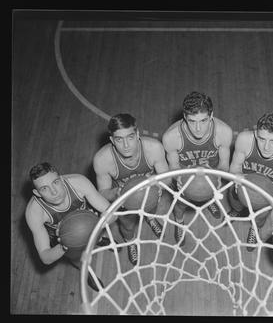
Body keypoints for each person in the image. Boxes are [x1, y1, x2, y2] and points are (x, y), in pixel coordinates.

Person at [93, 113, 171, 266]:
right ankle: (130, 242)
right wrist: (116, 194)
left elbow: (167, 177)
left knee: (151, 210)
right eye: (119, 140)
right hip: (122, 200)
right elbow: (102, 193)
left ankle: (150, 218)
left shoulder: (154, 148)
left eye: (130, 137)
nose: (126, 145)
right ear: (112, 140)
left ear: (137, 134)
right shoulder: (102, 160)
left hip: (149, 192)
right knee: (127, 226)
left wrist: (158, 185)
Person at [25, 162, 110, 292]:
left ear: (62, 179)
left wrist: (97, 222)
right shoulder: (34, 212)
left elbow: (111, 212)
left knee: (99, 232)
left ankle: (99, 239)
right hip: (65, 242)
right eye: (44, 188)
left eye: (56, 182)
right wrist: (64, 245)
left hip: (90, 224)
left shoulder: (79, 183)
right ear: (37, 193)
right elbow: (45, 257)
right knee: (80, 260)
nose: (54, 192)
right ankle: (87, 273)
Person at [162, 91, 233, 245]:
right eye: (192, 121)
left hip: (211, 173)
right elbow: (173, 167)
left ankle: (209, 200)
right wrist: (179, 179)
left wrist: (217, 178)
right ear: (184, 117)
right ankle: (179, 221)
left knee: (209, 192)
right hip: (184, 176)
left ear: (211, 115)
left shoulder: (223, 132)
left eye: (203, 120)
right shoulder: (171, 137)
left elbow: (224, 164)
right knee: (180, 203)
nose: (198, 128)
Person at [228, 113, 273, 251]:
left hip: (267, 192)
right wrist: (241, 179)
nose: (266, 147)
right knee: (234, 197)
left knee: (261, 216)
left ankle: (254, 229)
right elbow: (234, 169)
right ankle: (235, 210)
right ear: (256, 134)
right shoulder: (244, 140)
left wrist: (268, 189)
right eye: (262, 139)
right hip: (243, 183)